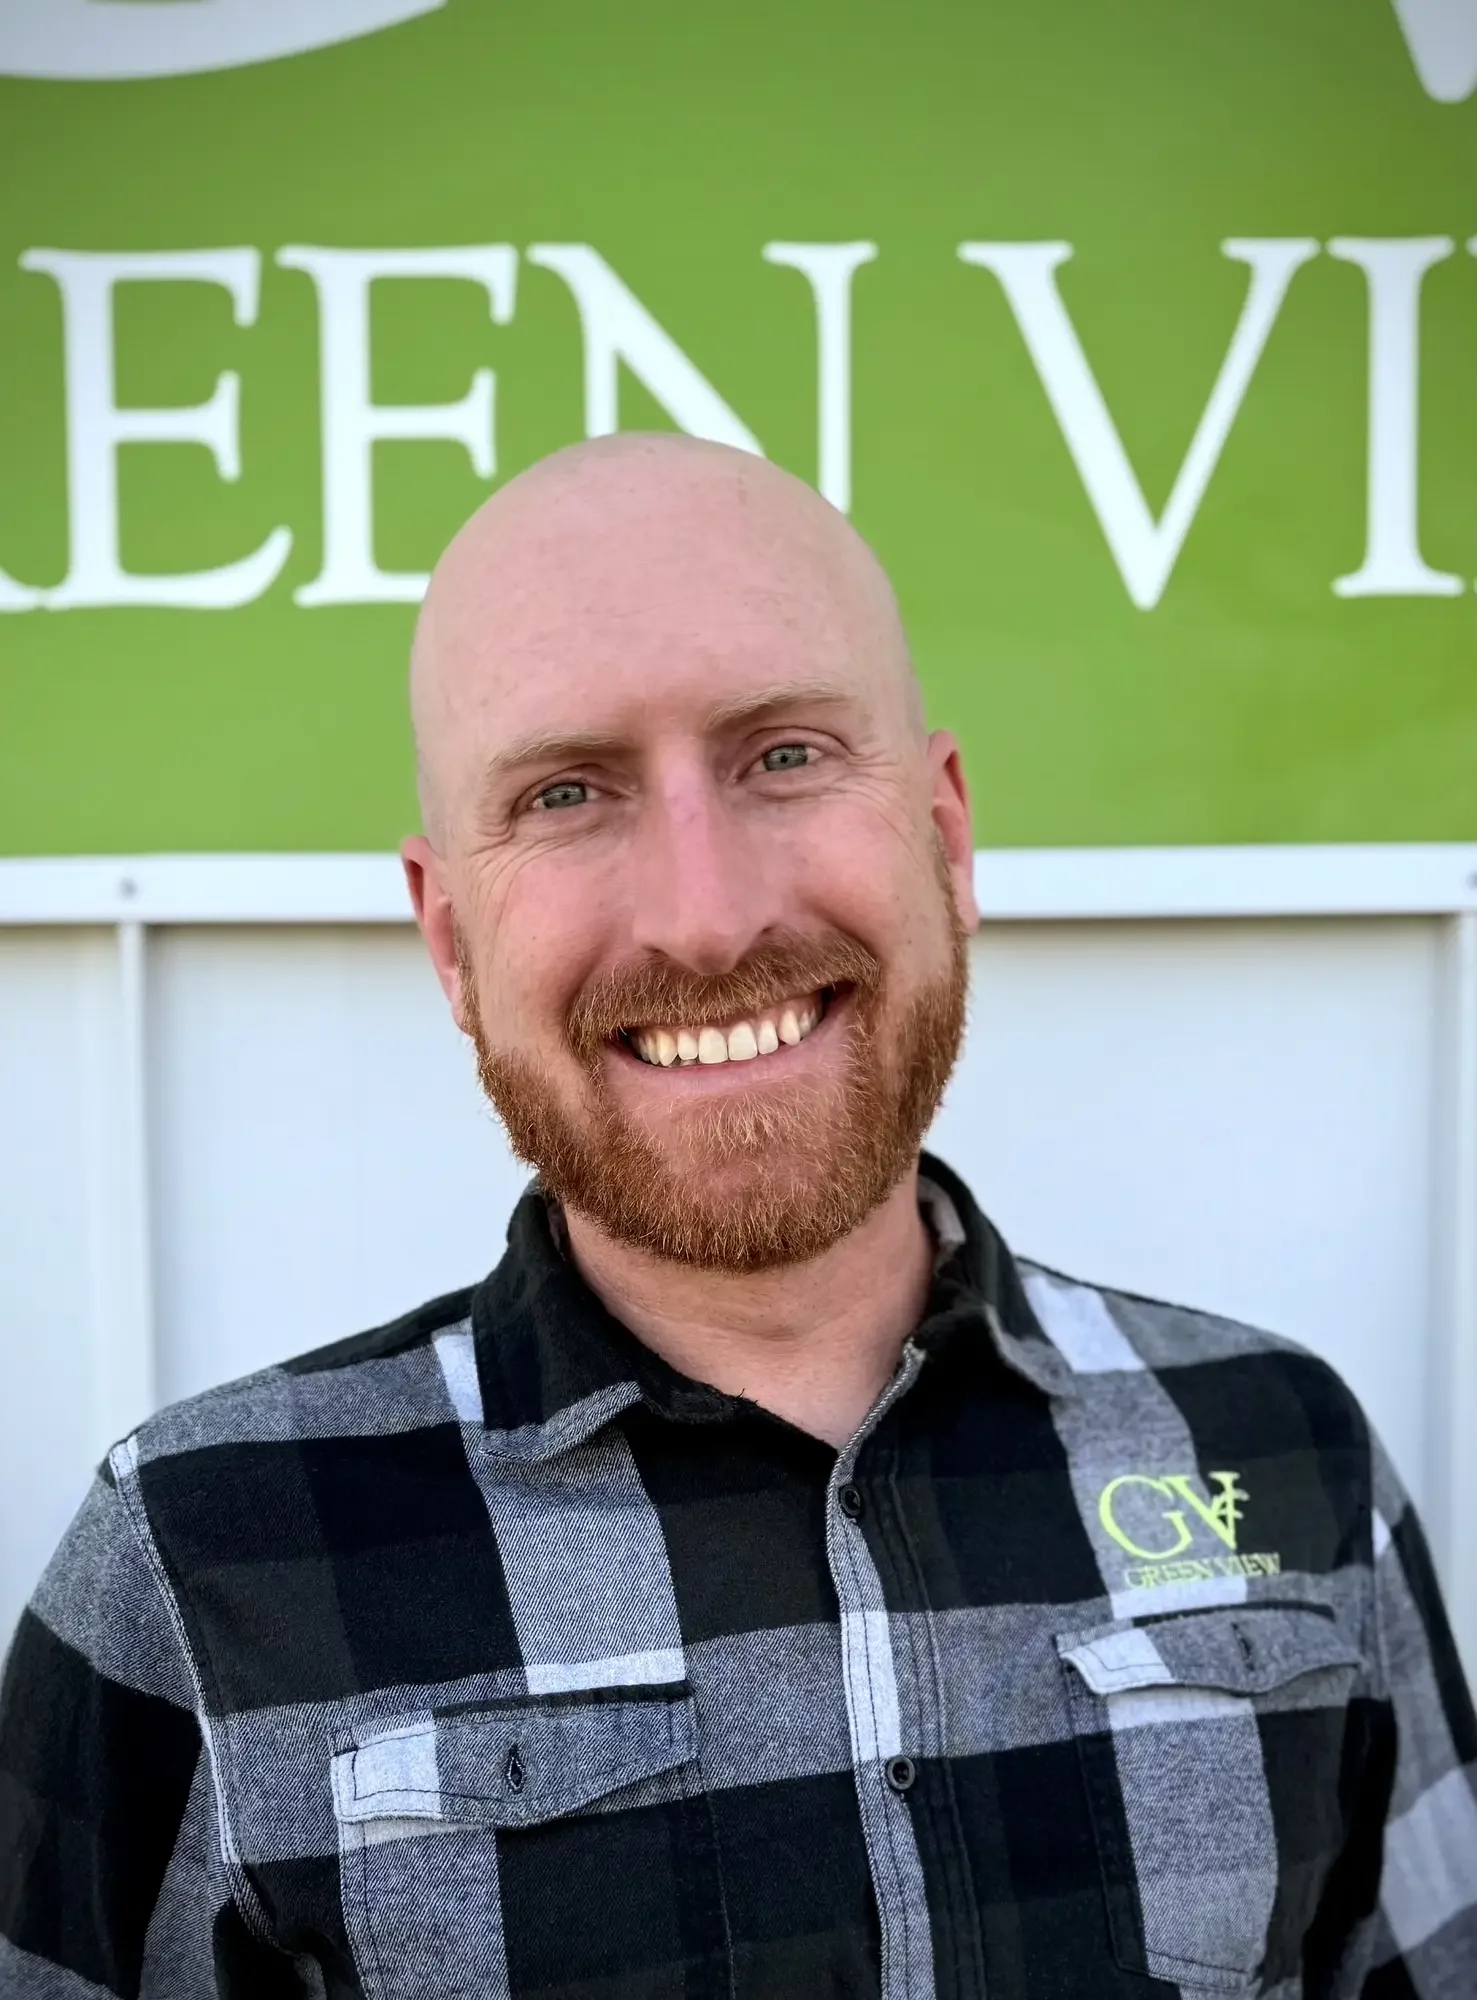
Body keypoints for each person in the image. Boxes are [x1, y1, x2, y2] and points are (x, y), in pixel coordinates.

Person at [1, 435, 1472, 2000]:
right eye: (567, 793)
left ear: (947, 834)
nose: (708, 917)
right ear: (450, 942)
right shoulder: (195, 1566)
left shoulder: (1279, 1453)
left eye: (784, 755)